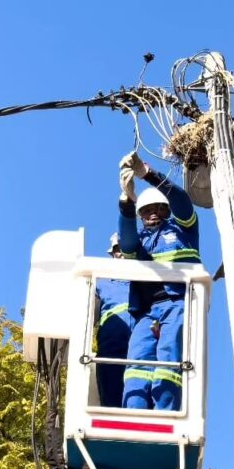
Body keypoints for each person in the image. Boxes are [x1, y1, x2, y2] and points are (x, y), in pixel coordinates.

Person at [116, 152, 200, 410]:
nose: (153, 213)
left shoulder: (183, 229)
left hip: (178, 304)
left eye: (158, 208)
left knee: (168, 359)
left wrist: (147, 175)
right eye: (146, 210)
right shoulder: (140, 240)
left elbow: (182, 200)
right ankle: (135, 413)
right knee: (137, 362)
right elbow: (127, 243)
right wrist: (126, 204)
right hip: (147, 311)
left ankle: (166, 411)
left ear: (166, 210)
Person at [94, 234, 132, 407]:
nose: (122, 253)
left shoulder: (148, 276)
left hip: (141, 333)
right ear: (113, 254)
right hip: (112, 334)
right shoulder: (101, 280)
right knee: (111, 380)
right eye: (118, 250)